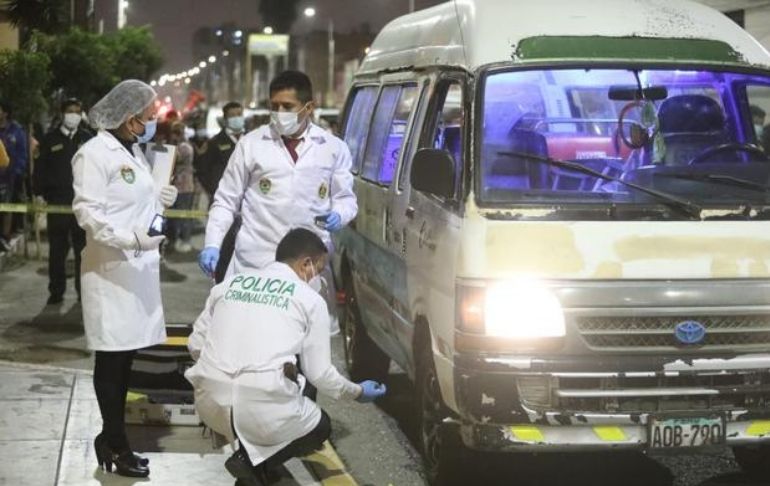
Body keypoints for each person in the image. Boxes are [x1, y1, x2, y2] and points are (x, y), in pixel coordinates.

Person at [185, 228, 386, 485]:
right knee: (320, 425)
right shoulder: (310, 301)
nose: (319, 276)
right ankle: (250, 463)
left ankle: (253, 468)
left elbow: (195, 345)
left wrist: (227, 364)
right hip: (262, 408)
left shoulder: (228, 285)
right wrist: (357, 392)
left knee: (257, 410)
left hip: (209, 403)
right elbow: (320, 374)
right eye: (320, 268)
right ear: (306, 264)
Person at [71, 79, 178, 478]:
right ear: (130, 118)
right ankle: (115, 441)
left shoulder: (133, 152)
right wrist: (128, 238)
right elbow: (89, 213)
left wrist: (160, 199)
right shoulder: (93, 155)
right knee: (112, 360)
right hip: (110, 271)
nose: (152, 121)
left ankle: (112, 437)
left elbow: (135, 204)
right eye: (149, 116)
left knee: (126, 357)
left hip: (137, 271)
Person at [198, 71, 357, 331]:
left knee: (307, 350)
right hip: (257, 264)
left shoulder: (332, 148)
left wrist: (339, 214)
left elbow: (346, 199)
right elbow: (226, 200)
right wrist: (212, 244)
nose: (279, 112)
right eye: (274, 106)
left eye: (287, 106)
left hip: (307, 267)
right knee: (253, 346)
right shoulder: (251, 144)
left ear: (309, 108)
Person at [33, 98, 93, 305]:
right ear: (62, 113)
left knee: (82, 252)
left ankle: (81, 291)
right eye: (70, 111)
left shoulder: (89, 139)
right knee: (57, 251)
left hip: (82, 204)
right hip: (57, 203)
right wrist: (39, 194)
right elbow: (40, 169)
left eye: (77, 111)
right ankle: (56, 291)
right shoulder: (50, 140)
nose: (73, 115)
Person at [0, 100, 28, 252]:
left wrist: (17, 171)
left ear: (5, 113)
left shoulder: (16, 130)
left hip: (10, 177)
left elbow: (22, 154)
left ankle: (5, 236)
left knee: (7, 206)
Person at [167, 121, 196, 253]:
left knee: (183, 215)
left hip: (184, 187)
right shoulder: (180, 145)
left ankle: (185, 240)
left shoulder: (184, 147)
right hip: (177, 186)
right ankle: (174, 240)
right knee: (175, 216)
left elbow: (173, 158)